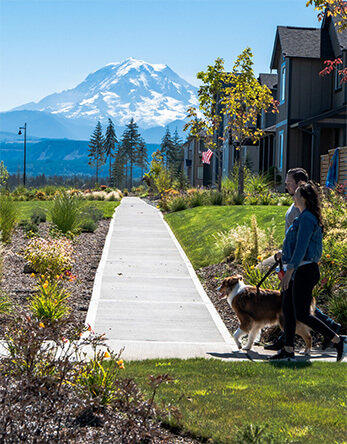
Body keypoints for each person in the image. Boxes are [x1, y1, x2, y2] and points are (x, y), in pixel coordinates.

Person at [264, 168, 341, 351]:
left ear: (303, 196)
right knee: (289, 310)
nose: (291, 194)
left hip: (303, 269)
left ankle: (336, 338)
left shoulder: (306, 218)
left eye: (295, 191)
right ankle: (288, 348)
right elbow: (293, 244)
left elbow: (301, 247)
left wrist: (289, 271)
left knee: (302, 313)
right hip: (298, 267)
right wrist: (284, 257)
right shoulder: (301, 217)